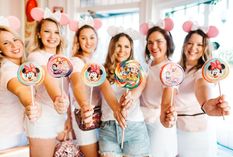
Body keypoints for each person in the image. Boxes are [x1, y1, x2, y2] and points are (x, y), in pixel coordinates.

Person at [174, 22, 230, 157]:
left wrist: (205, 103)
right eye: (190, 43)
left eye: (199, 44)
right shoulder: (177, 69)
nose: (193, 48)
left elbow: (201, 85)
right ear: (184, 45)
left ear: (205, 48)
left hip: (196, 133)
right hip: (178, 129)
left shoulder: (203, 72)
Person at [26, 8, 70, 157]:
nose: (52, 36)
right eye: (47, 31)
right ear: (38, 34)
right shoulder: (36, 56)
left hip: (61, 118)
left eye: (56, 32)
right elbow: (47, 76)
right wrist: (58, 98)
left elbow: (68, 88)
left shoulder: (64, 58)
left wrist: (68, 117)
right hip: (43, 119)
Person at [98, 29, 150, 157]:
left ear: (131, 49)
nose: (122, 50)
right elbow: (107, 91)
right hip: (109, 127)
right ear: (112, 47)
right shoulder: (101, 70)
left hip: (134, 126)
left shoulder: (138, 70)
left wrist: (128, 100)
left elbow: (138, 89)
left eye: (126, 46)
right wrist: (117, 109)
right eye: (118, 46)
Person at [139, 21, 178, 157]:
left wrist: (165, 115)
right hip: (141, 119)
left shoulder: (170, 69)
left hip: (157, 122)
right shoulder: (148, 64)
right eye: (150, 42)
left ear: (168, 43)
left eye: (159, 41)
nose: (153, 46)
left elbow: (167, 102)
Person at [0, 18, 39, 150]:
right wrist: (31, 104)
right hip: (7, 140)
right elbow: (20, 89)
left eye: (15, 39)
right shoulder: (8, 70)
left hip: (19, 137)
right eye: (6, 43)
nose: (14, 45)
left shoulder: (21, 67)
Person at [69, 23, 101, 157]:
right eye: (83, 38)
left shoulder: (97, 62)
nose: (88, 42)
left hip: (100, 115)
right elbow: (77, 83)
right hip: (85, 115)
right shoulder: (76, 61)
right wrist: (84, 105)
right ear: (78, 40)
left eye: (92, 37)